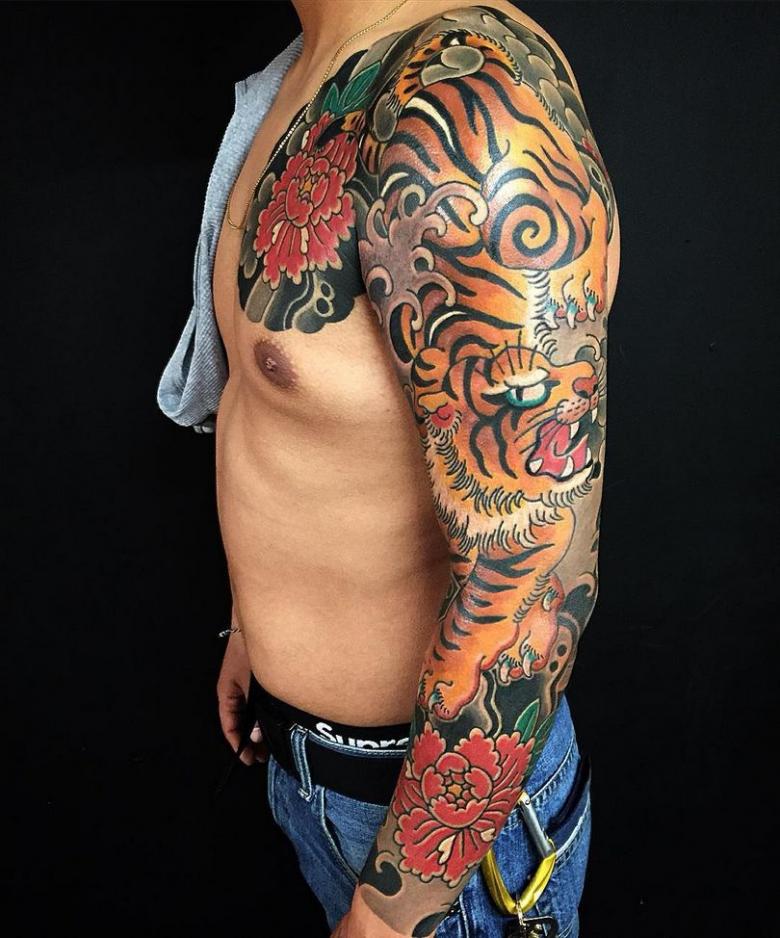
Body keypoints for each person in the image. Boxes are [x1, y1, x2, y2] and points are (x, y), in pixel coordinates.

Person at [157, 1, 620, 934]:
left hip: (434, 844)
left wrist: (391, 914)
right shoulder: (300, 75)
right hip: (309, 773)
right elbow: (303, 417)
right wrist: (258, 624)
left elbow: (533, 574)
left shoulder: (466, 108)